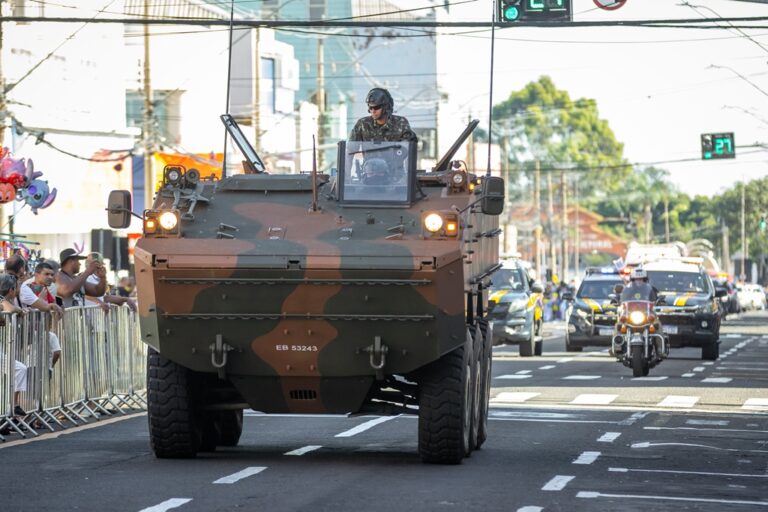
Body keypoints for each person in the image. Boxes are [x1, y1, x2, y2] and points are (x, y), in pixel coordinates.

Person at [19, 261, 64, 372]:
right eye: (46, 274)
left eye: (52, 274)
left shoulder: (46, 287)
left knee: (43, 367)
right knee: (29, 368)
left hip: (42, 332)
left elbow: (53, 306)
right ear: (37, 274)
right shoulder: (28, 287)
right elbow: (36, 308)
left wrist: (57, 308)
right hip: (29, 336)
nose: (50, 277)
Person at [0, 274, 28, 420]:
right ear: (11, 290)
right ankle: (13, 406)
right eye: (16, 288)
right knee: (20, 369)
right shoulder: (1, 299)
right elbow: (9, 309)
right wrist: (19, 310)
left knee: (19, 369)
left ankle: (9, 410)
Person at [349, 88, 418, 143]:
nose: (373, 111)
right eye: (370, 107)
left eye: (376, 107)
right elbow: (351, 149)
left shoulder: (400, 123)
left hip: (393, 157)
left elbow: (408, 148)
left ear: (385, 107)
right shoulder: (363, 124)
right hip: (369, 158)